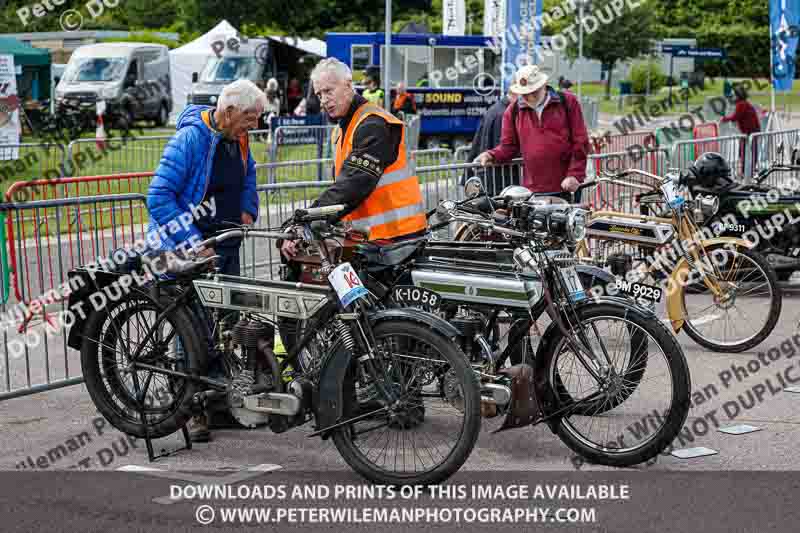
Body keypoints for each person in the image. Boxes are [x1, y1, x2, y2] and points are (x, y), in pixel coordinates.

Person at [278, 58, 427, 351]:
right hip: (373, 241)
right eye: (319, 94)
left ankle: (400, 384)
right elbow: (343, 186)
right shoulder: (342, 127)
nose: (324, 100)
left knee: (396, 327)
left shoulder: (373, 124)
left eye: (329, 91)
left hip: (397, 239)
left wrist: (306, 216)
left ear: (349, 85)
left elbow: (353, 184)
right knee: (375, 323)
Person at [146, 79, 264, 442]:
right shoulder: (189, 139)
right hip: (192, 249)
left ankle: (218, 404)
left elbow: (249, 177)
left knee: (224, 327)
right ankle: (191, 409)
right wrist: (193, 243)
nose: (254, 125)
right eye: (250, 117)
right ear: (228, 112)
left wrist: (248, 209)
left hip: (225, 244)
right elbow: (159, 196)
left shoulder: (239, 138)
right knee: (193, 330)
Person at [476, 65, 590, 199]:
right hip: (533, 189)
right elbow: (509, 146)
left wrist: (574, 174)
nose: (529, 97)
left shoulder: (568, 102)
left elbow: (580, 141)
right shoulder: (513, 111)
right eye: (524, 93)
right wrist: (492, 155)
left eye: (533, 92)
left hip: (567, 186)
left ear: (544, 85)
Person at [465, 74, 520, 195]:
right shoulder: (505, 114)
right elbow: (505, 147)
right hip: (500, 181)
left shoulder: (495, 109)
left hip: (491, 178)